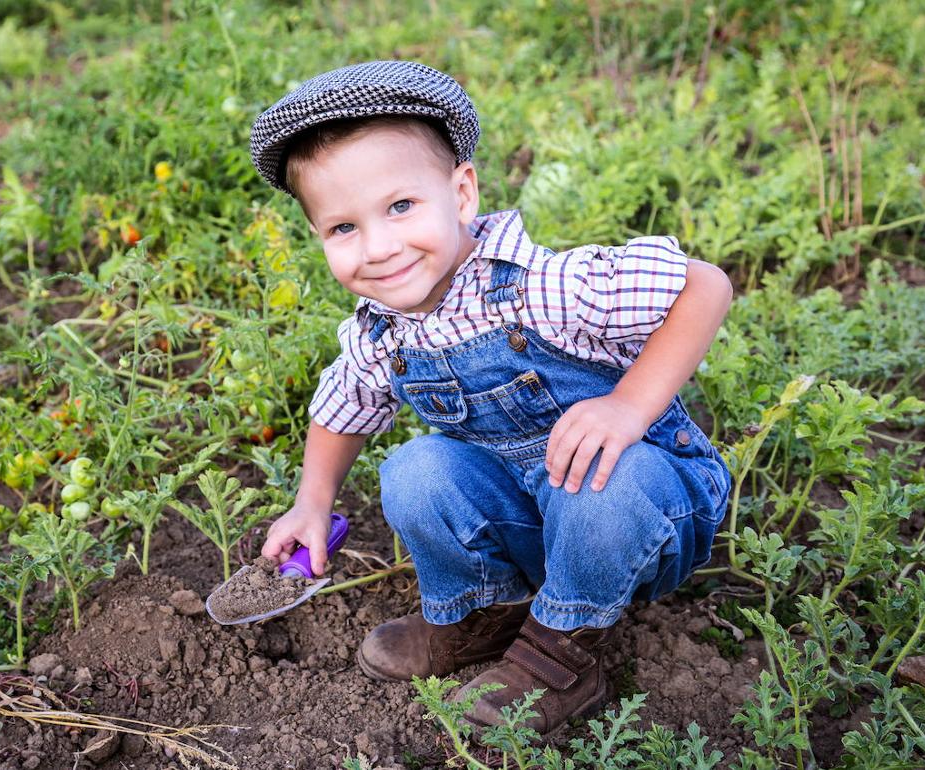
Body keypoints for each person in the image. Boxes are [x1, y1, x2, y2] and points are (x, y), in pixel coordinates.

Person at [249, 60, 734, 734]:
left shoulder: (545, 285)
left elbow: (704, 286)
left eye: (400, 207)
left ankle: (564, 652)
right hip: (534, 526)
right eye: (343, 228)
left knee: (604, 480)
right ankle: (484, 615)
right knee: (414, 470)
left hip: (642, 517)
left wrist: (626, 406)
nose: (379, 247)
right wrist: (312, 503)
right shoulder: (384, 334)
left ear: (463, 193)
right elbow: (342, 408)